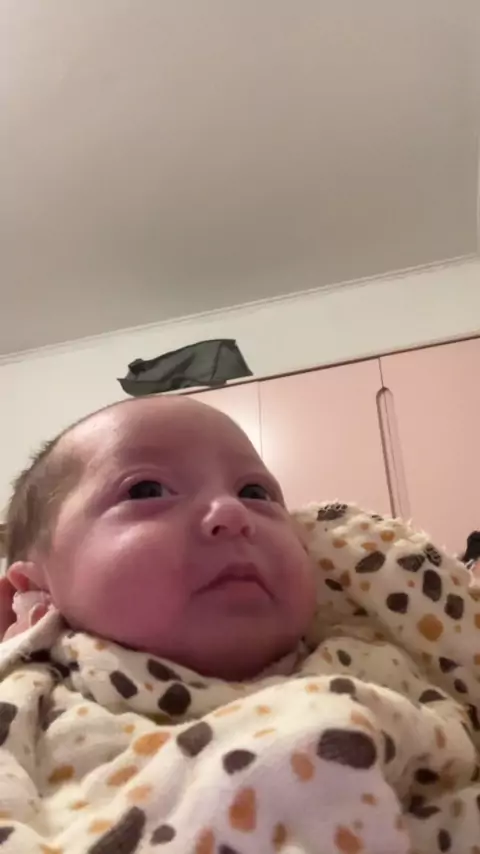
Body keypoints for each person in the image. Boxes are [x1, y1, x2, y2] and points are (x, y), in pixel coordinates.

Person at [0, 396, 478, 854]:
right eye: (146, 490)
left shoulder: (380, 661)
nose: (231, 512)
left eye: (255, 493)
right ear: (37, 592)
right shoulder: (29, 709)